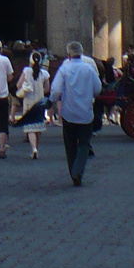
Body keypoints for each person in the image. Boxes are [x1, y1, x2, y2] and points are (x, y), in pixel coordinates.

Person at [49, 42, 102, 186]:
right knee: (84, 143)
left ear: (68, 54)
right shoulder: (89, 69)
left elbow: (57, 90)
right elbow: (97, 89)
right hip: (85, 112)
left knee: (70, 144)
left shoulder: (64, 69)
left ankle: (73, 170)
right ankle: (78, 170)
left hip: (69, 112)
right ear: (81, 52)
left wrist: (53, 101)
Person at [11, 50, 50, 159]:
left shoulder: (27, 71)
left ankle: (34, 148)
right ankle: (36, 147)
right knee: (37, 126)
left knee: (30, 128)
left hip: (28, 101)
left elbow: (19, 85)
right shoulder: (45, 73)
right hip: (40, 101)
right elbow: (47, 89)